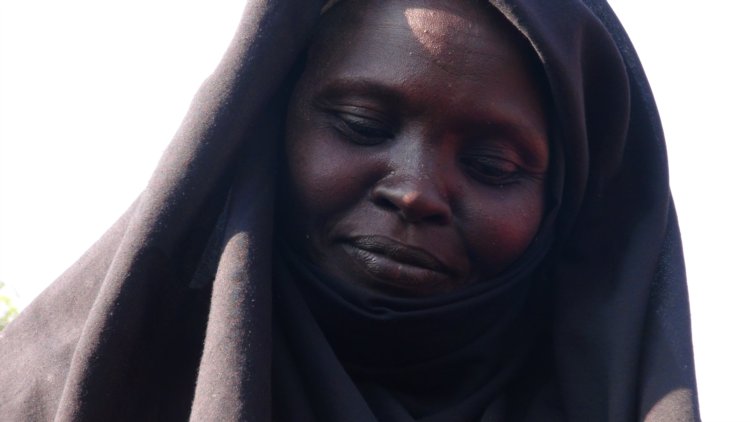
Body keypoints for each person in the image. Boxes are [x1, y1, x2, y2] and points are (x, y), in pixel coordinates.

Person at [0, 0, 700, 420]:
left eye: (493, 167)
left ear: (565, 206)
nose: (416, 191)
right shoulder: (68, 390)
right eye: (362, 125)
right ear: (265, 125)